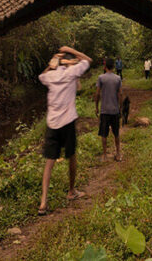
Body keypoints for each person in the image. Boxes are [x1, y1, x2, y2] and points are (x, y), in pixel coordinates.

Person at [37, 45, 92, 216]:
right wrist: (73, 50)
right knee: (71, 156)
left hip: (52, 124)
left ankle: (43, 202)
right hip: (67, 122)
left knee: (49, 162)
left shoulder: (50, 76)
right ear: (68, 61)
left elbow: (41, 75)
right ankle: (71, 191)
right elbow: (88, 60)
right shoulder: (71, 73)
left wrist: (52, 63)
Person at [94, 58, 124, 162]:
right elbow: (120, 94)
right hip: (115, 110)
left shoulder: (101, 78)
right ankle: (118, 154)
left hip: (104, 111)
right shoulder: (118, 78)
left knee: (104, 133)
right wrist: (120, 107)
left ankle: (105, 155)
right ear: (114, 67)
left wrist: (96, 107)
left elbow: (97, 93)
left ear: (105, 66)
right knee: (116, 133)